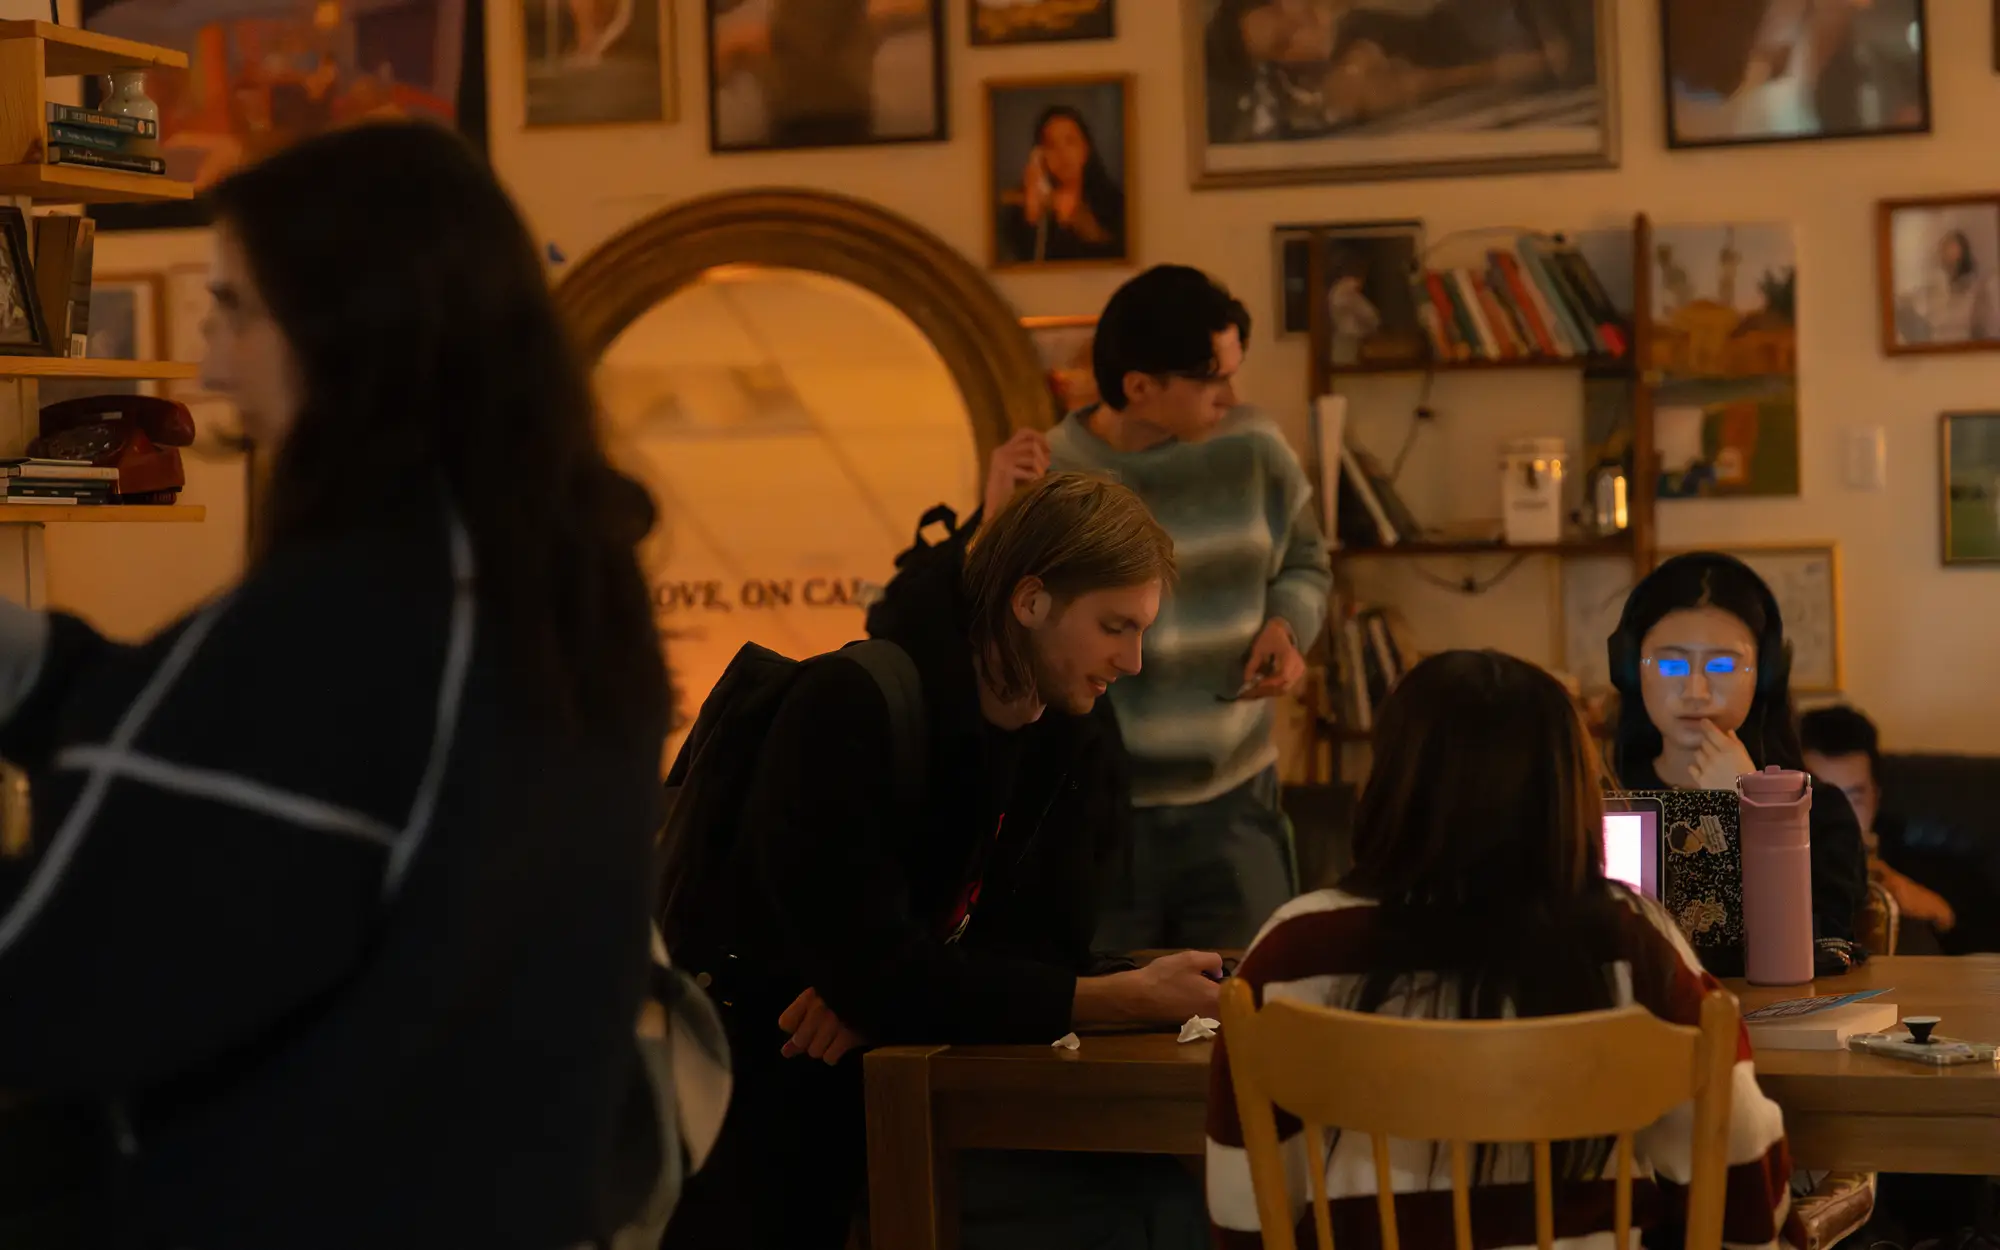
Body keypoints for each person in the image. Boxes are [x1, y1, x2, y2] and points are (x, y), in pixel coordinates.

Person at [0, 121, 670, 1248]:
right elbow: (228, 758)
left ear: (361, 330)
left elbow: (66, 972)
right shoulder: (537, 586)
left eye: (236, 310)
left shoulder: (362, 615)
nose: (211, 364)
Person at [661, 472, 1222, 1250]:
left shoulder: (1071, 729)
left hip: (908, 1104)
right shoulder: (849, 704)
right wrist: (1122, 998)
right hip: (757, 1116)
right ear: (1030, 602)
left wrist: (894, 990)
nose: (1132, 661)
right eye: (1114, 627)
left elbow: (1031, 948)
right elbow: (887, 972)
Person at [1205, 650, 1805, 1249]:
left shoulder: (1291, 952)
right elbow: (1742, 1191)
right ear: (1570, 788)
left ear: (1388, 781)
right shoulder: (1630, 941)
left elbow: (1245, 1220)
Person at [993, 265, 1330, 951]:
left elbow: (1306, 562)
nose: (1233, 395)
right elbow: (997, 632)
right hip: (1099, 816)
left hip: (1235, 804)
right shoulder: (1050, 474)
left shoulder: (1256, 447)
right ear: (1141, 387)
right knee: (1107, 1036)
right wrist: (994, 514)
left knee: (1253, 1024)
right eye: (1213, 380)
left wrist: (1287, 627)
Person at [1606, 552, 1867, 952]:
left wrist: (1755, 807)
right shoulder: (1600, 802)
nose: (1695, 691)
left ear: (1765, 676)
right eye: (1672, 667)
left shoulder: (1819, 811)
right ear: (1630, 669)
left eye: (1723, 666)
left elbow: (1821, 948)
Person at [1801, 704, 2000, 955]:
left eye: (1854, 798)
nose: (1842, 817)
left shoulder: (1928, 865)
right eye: (1827, 800)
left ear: (1876, 795)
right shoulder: (1777, 873)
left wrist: (1941, 914)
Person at [998, 104, 1127, 264]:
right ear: (1040, 155)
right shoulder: (1021, 208)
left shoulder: (1115, 203)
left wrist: (1081, 222)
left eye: (1070, 142)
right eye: (1051, 145)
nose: (1062, 153)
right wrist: (1031, 216)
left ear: (1086, 148)